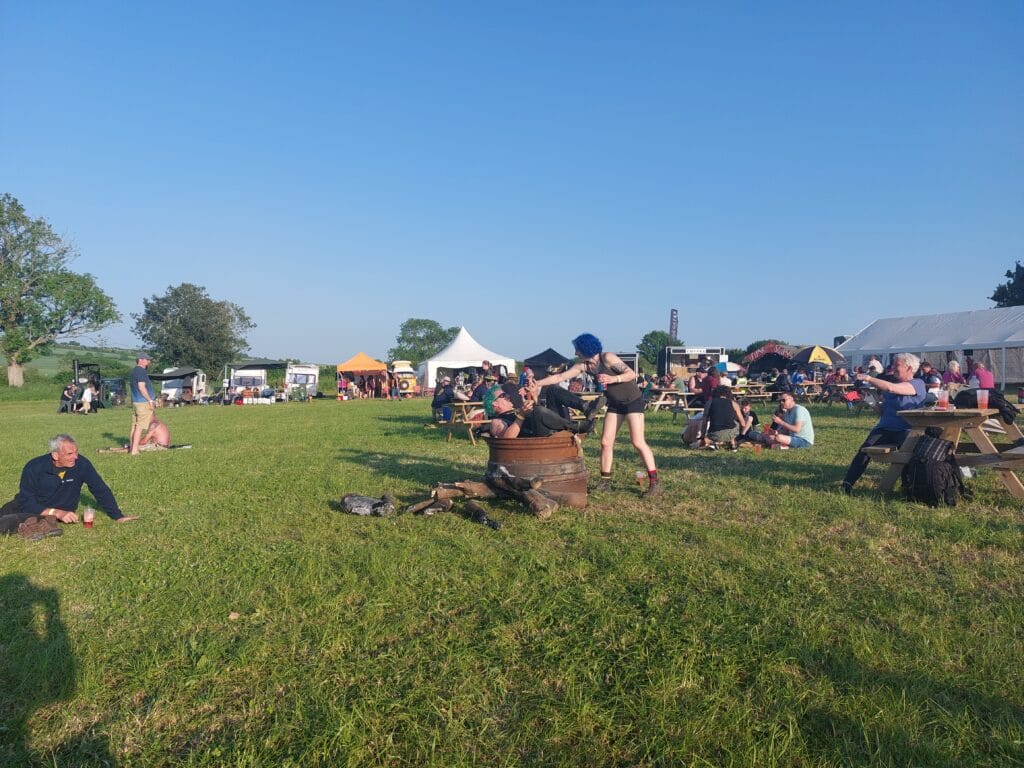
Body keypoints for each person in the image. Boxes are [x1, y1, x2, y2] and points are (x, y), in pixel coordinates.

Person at [533, 333, 662, 496]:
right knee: (605, 442)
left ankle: (654, 482)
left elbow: (631, 374)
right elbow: (559, 376)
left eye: (577, 350)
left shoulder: (607, 358)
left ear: (586, 348)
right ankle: (605, 481)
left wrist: (612, 379)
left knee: (637, 442)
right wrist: (537, 383)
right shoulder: (584, 366)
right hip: (615, 404)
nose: (575, 354)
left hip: (632, 401)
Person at [0, 434, 139, 539]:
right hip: (32, 506)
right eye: (69, 454)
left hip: (55, 511)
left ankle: (42, 524)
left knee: (6, 523)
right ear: (55, 455)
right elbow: (27, 501)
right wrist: (56, 512)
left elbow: (100, 489)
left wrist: (117, 516)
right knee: (5, 511)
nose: (75, 457)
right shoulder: (34, 467)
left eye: (76, 452)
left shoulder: (82, 464)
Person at [841, 352, 927, 494]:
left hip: (907, 429)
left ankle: (909, 488)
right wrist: (871, 403)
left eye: (897, 365)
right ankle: (846, 485)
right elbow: (884, 411)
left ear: (909, 368)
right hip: (885, 428)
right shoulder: (893, 384)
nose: (893, 368)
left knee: (907, 453)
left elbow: (891, 388)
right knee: (864, 451)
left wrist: (868, 378)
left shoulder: (917, 384)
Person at [487, 382, 594, 438]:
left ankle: (586, 407)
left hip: (549, 426)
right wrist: (521, 416)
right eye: (503, 395)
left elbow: (539, 415)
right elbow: (506, 440)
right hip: (538, 436)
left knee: (552, 389)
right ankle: (574, 427)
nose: (508, 397)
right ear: (494, 403)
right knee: (537, 411)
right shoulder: (497, 421)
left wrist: (534, 397)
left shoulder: (516, 409)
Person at [701, 385, 745, 450]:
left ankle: (714, 443)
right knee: (735, 423)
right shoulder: (733, 403)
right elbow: (743, 423)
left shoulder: (709, 402)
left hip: (713, 435)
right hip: (730, 434)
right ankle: (733, 444)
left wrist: (702, 437)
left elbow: (704, 422)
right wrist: (742, 434)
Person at [129, 354, 157, 455]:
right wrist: (150, 400)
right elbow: (141, 387)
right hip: (143, 403)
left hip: (136, 402)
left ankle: (132, 447)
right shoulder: (141, 371)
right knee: (140, 426)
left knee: (134, 426)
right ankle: (135, 450)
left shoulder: (133, 371)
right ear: (140, 360)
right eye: (146, 360)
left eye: (149, 360)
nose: (148, 361)